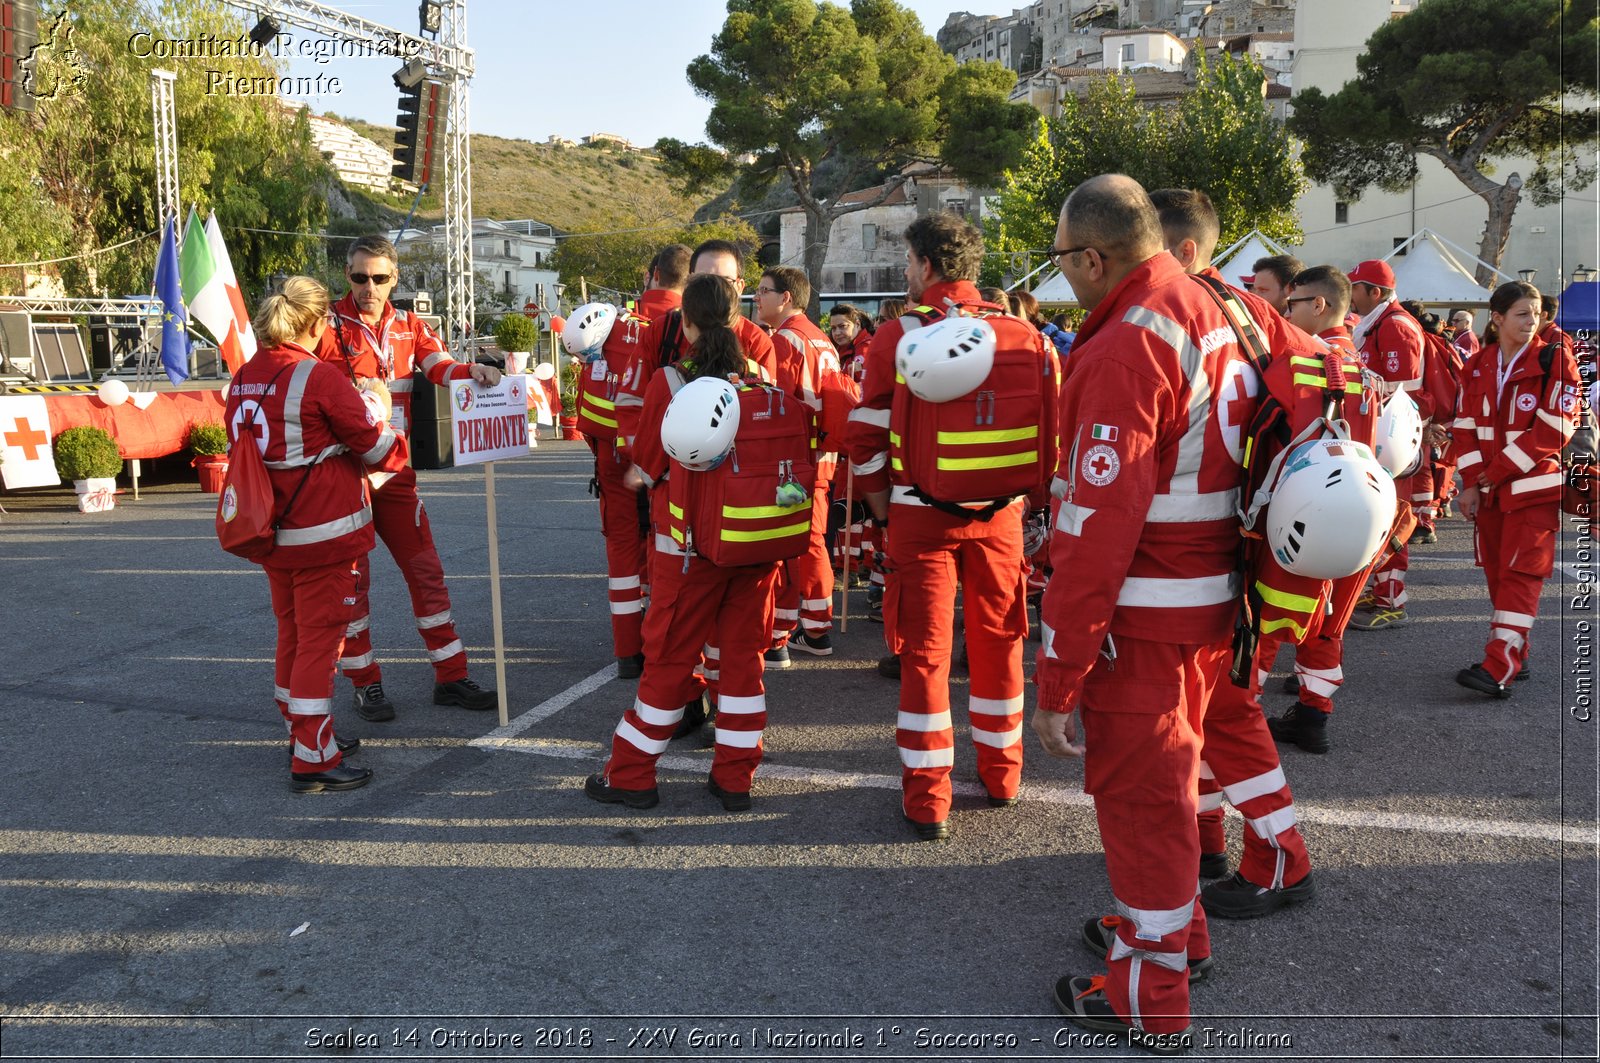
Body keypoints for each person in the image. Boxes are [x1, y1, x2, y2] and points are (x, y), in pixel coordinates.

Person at [1032, 175, 1258, 1052]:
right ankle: (1177, 943)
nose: (1061, 278)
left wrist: (1060, 671)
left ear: (1093, 257)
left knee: (1143, 809)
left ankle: (1148, 997)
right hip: (1206, 605)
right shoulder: (1209, 304)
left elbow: (1096, 527)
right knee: (1171, 792)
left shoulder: (1128, 341)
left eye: (1062, 260)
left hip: (1145, 616)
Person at [846, 211, 1058, 842]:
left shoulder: (897, 336)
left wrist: (883, 513)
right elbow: (1054, 429)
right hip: (1003, 514)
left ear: (927, 266)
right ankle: (1002, 777)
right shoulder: (1024, 333)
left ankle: (928, 798)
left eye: (910, 263)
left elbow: (864, 438)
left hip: (919, 515)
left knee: (926, 657)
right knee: (1000, 648)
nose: (907, 273)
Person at [1143, 187, 1323, 919]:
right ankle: (1209, 837)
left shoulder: (1179, 312)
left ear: (1184, 251)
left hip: (1210, 560)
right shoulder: (1256, 316)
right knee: (1217, 713)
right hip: (1242, 556)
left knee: (1226, 715)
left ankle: (1281, 856)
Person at [584, 274, 793, 811]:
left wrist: (638, 474)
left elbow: (648, 465)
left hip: (688, 551)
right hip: (754, 547)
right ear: (738, 314)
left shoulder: (671, 382)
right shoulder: (761, 374)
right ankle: (735, 779)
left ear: (687, 321)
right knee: (743, 666)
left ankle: (630, 775)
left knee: (670, 663)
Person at [227, 277, 409, 793]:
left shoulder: (243, 377)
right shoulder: (318, 377)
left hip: (270, 531)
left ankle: (300, 730)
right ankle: (312, 755)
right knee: (320, 644)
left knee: (291, 633)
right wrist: (382, 412)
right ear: (316, 323)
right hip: (324, 533)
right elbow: (376, 450)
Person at [1262, 265, 1384, 753]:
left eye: (1288, 303)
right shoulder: (1362, 365)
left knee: (1266, 623)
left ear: (1317, 304)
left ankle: (1237, 719)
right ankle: (1313, 715)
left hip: (1298, 516)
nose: (1281, 312)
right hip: (1356, 520)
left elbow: (1259, 453)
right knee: (1327, 625)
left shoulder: (1297, 362)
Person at [1452, 281, 1579, 696]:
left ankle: (1499, 664)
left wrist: (1498, 470)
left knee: (1521, 575)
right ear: (1499, 318)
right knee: (1497, 576)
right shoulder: (1479, 362)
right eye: (1523, 313)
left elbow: (1556, 427)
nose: (1534, 320)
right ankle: (1514, 652)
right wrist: (1472, 483)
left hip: (1534, 490)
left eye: (1538, 312)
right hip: (1490, 492)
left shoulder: (1556, 358)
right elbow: (1465, 427)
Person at [756, 266, 843, 657]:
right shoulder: (822, 339)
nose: (758, 298)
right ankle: (804, 627)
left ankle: (800, 630)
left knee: (795, 545)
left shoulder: (786, 341)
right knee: (808, 542)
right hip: (821, 456)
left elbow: (775, 405)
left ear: (785, 297)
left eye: (763, 291)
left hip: (795, 462)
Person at [1346, 258, 1430, 630]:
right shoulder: (1377, 323)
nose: (1350, 294)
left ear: (1374, 292)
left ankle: (1393, 600)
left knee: (1392, 516)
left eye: (1355, 288)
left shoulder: (1396, 326)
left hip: (1392, 445)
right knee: (1377, 515)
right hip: (1377, 440)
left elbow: (1405, 395)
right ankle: (1380, 589)